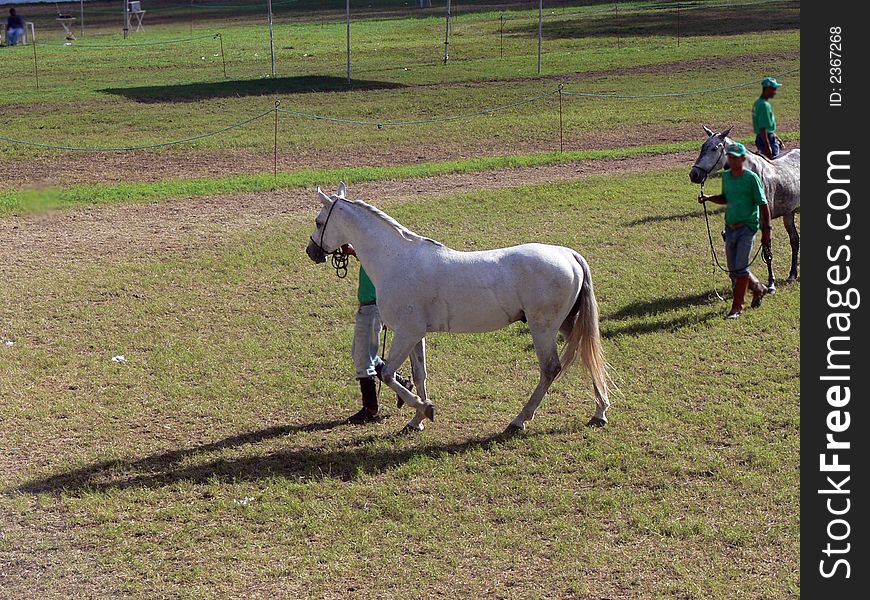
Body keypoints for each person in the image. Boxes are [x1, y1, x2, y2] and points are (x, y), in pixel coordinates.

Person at [698, 142, 772, 319]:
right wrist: (709, 198)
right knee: (734, 270)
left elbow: (763, 204)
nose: (731, 161)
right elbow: (726, 198)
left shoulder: (751, 178)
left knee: (740, 268)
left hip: (747, 227)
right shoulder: (726, 177)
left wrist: (766, 231)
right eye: (729, 157)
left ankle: (737, 307)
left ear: (743, 159)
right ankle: (758, 288)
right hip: (730, 227)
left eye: (735, 158)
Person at [342, 244, 414, 424]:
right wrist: (352, 251)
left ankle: (370, 410)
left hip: (371, 308)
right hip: (370, 306)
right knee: (362, 354)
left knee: (363, 359)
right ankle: (402, 384)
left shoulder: (377, 251)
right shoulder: (376, 251)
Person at [752, 76, 783, 159]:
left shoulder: (757, 102)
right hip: (767, 139)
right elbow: (763, 128)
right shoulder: (764, 105)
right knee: (775, 163)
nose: (775, 92)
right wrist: (768, 147)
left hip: (761, 137)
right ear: (767, 89)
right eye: (774, 89)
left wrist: (776, 137)